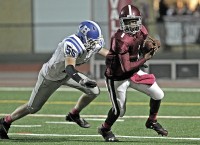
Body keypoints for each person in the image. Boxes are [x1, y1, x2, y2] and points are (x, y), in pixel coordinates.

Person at [0, 20, 108, 139]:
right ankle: (5, 121)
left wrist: (123, 58)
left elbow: (107, 53)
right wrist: (81, 80)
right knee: (33, 108)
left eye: (96, 41)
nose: (95, 45)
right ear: (83, 38)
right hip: (51, 77)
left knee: (94, 91)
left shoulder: (93, 43)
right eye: (92, 42)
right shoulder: (71, 44)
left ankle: (74, 114)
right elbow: (69, 68)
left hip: (65, 75)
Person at [98, 5, 168, 142]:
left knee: (158, 94)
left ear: (139, 20)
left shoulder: (141, 29)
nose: (132, 25)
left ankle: (151, 121)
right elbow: (126, 68)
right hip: (117, 77)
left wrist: (153, 43)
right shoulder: (120, 39)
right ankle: (105, 129)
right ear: (122, 22)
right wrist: (144, 59)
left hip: (133, 72)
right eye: (128, 22)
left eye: (134, 21)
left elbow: (145, 38)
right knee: (119, 111)